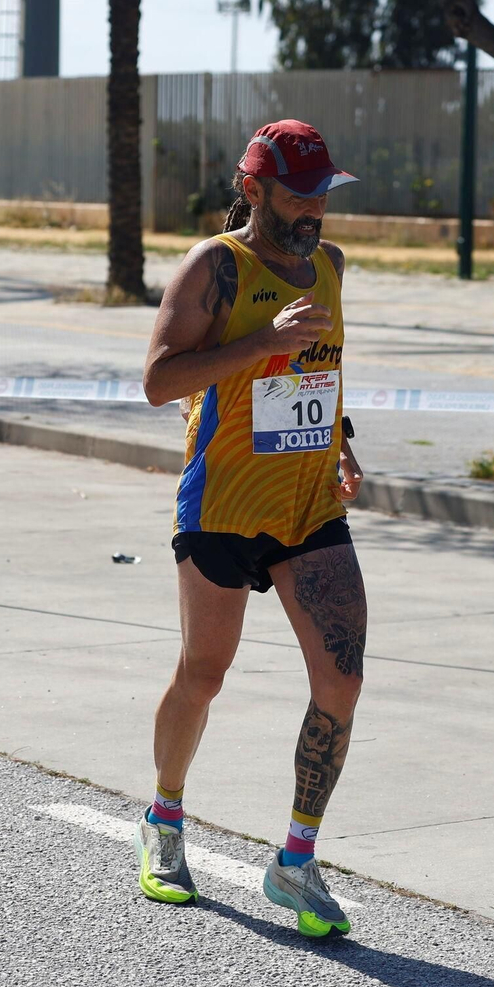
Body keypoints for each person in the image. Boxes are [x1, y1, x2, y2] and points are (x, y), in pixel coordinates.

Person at [138, 120, 365, 938]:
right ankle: (165, 820)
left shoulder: (331, 268)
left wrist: (339, 441)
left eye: (322, 195)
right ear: (255, 188)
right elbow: (160, 381)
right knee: (204, 673)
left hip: (309, 509)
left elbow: (322, 368)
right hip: (223, 507)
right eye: (299, 195)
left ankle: (296, 862)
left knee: (341, 680)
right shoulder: (215, 268)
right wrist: (260, 343)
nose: (314, 211)